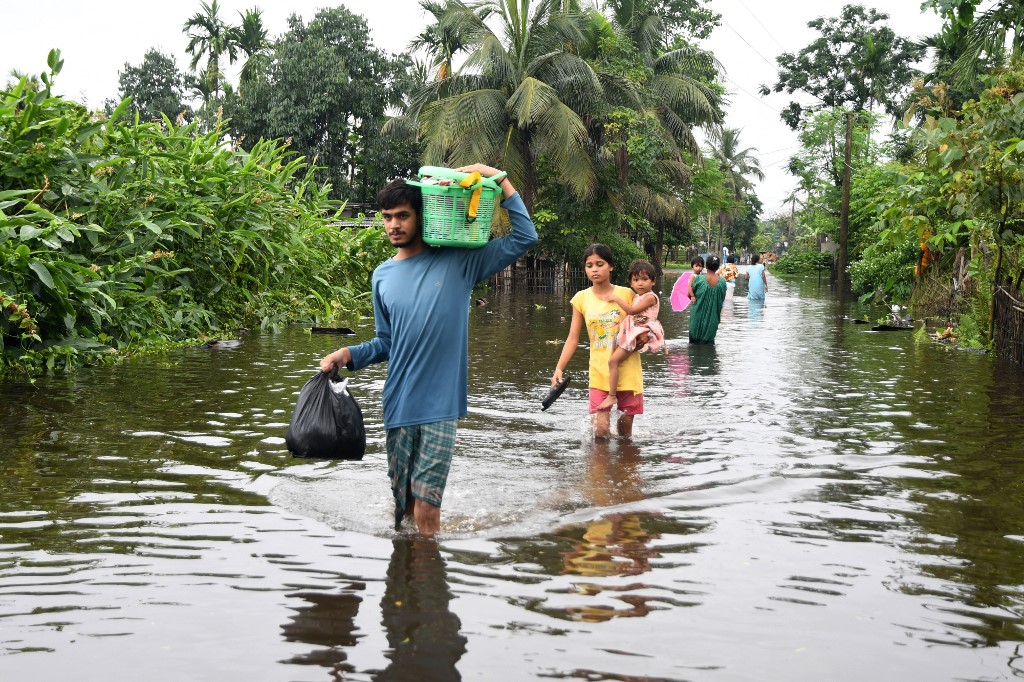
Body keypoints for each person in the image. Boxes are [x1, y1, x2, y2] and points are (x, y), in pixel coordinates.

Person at [319, 164, 537, 536]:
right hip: (398, 405)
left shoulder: (459, 261)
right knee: (401, 509)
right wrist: (348, 354)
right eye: (387, 217)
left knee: (427, 509)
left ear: (422, 216)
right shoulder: (382, 276)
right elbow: (387, 342)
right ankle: (403, 584)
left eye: (402, 216)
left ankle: (427, 586)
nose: (393, 225)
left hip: (440, 408)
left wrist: (498, 178)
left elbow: (524, 237)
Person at [551, 244, 642, 440]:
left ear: (611, 266)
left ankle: (623, 470)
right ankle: (600, 470)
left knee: (625, 432)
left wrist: (644, 339)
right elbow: (573, 338)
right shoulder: (581, 299)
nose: (594, 269)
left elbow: (645, 322)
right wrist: (559, 368)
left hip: (628, 369)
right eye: (589, 265)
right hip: (599, 371)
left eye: (600, 264)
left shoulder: (627, 294)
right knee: (600, 431)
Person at [597, 260, 664, 411]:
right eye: (636, 280)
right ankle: (614, 393)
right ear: (631, 283)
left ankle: (612, 395)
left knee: (613, 361)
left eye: (644, 279)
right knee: (614, 359)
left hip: (638, 333)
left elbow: (632, 311)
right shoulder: (637, 296)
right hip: (633, 330)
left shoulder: (650, 297)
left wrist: (615, 298)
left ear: (653, 281)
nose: (640, 283)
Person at [689, 254, 727, 344]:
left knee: (693, 346)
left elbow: (690, 293)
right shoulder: (722, 281)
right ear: (718, 267)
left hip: (696, 319)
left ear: (706, 266)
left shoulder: (698, 279)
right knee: (709, 346)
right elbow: (722, 298)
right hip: (712, 321)